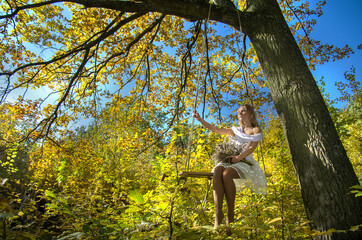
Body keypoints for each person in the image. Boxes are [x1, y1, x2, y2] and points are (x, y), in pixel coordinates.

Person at [192, 104, 267, 231]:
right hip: (231, 160)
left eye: (243, 112)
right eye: (239, 112)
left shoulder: (256, 130)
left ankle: (230, 214)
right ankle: (218, 214)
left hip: (245, 161)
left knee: (227, 174)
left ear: (250, 114)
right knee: (217, 170)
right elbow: (216, 129)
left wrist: (239, 157)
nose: (240, 114)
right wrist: (200, 119)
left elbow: (251, 148)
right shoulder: (235, 130)